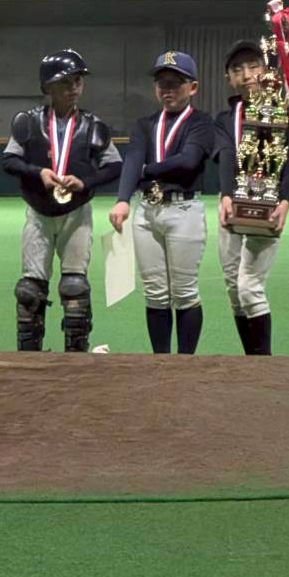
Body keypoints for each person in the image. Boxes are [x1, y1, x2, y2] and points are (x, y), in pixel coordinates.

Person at [2, 50, 122, 352]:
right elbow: (9, 161)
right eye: (65, 82)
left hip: (76, 213)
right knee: (29, 290)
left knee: (75, 288)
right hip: (38, 212)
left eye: (78, 81)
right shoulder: (28, 122)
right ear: (47, 87)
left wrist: (86, 182)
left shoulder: (94, 126)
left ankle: (75, 356)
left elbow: (114, 166)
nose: (74, 88)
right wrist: (38, 172)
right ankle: (30, 355)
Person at [109, 51, 216, 354]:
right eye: (161, 83)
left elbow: (187, 160)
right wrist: (122, 200)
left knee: (184, 292)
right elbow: (132, 160)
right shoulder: (145, 124)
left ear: (193, 87)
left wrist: (146, 171)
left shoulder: (201, 122)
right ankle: (161, 361)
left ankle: (185, 361)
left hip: (183, 210)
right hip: (146, 212)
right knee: (155, 293)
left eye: (175, 83)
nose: (167, 89)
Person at [214, 40, 289, 356]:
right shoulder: (225, 119)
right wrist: (226, 195)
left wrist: (284, 200)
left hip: (267, 204)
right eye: (237, 69)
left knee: (249, 287)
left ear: (266, 70)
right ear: (229, 78)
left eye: (253, 66)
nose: (247, 74)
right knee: (233, 289)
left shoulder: (281, 111)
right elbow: (225, 154)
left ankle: (264, 364)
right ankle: (250, 363)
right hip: (230, 205)